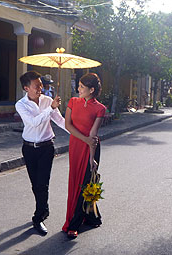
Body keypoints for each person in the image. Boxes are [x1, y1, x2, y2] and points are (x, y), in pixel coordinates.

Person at [15, 71, 67, 236]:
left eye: (41, 85)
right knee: (35, 183)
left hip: (46, 147)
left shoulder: (48, 101)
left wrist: (78, 135)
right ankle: (43, 209)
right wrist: (50, 109)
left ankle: (39, 217)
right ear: (26, 88)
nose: (41, 88)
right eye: (36, 86)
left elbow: (59, 120)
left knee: (43, 183)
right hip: (29, 148)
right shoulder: (21, 105)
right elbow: (33, 123)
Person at [62, 73, 106, 238]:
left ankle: (74, 225)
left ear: (91, 89)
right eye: (78, 86)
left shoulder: (100, 108)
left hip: (91, 148)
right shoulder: (73, 102)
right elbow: (68, 125)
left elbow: (93, 135)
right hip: (76, 146)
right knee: (75, 182)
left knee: (85, 184)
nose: (78, 89)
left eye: (82, 87)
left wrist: (92, 157)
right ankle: (92, 216)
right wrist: (85, 140)